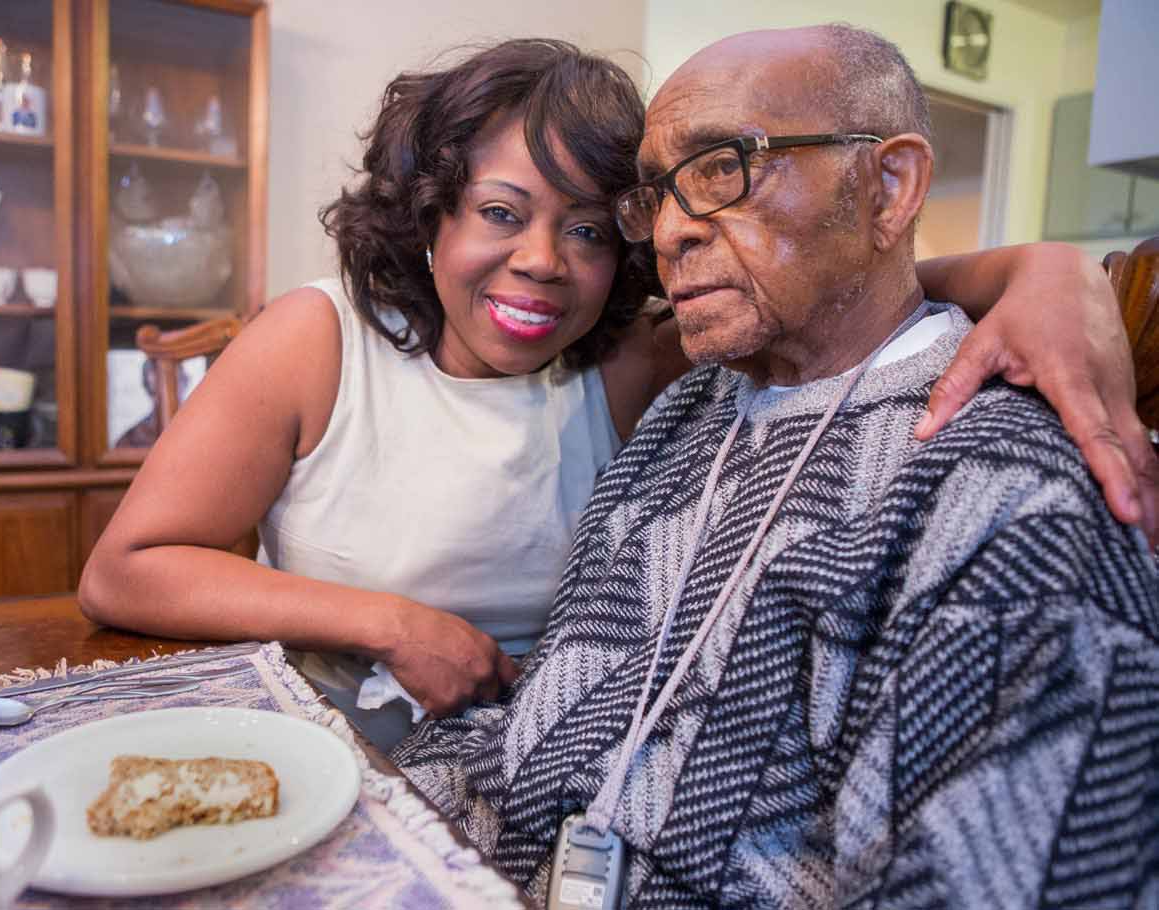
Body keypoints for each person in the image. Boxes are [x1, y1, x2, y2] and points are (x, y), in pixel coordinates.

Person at [80, 38, 1156, 751]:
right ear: (432, 215)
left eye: (590, 229)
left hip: (516, 755)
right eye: (501, 213)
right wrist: (391, 622)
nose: (543, 261)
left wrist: (1045, 273)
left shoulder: (626, 361)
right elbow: (126, 570)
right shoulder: (317, 340)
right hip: (322, 734)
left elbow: (832, 297)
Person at [392, 25, 1159, 907]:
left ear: (889, 186)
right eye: (654, 195)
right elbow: (548, 713)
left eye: (722, 167)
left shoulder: (1000, 490)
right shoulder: (693, 401)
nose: (672, 231)